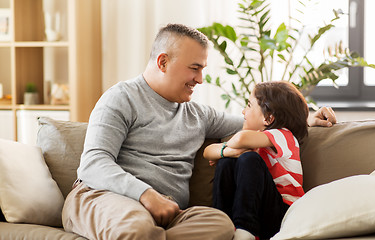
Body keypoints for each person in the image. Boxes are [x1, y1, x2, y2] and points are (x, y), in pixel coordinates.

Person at [62, 23, 337, 240]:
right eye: (194, 68)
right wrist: (146, 195)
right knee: (138, 229)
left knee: (220, 225)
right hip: (106, 197)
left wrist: (307, 119)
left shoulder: (198, 115)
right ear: (163, 62)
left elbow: (259, 122)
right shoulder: (121, 98)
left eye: (203, 69)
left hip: (170, 213)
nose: (200, 79)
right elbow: (93, 163)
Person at [203, 81, 319, 240]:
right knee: (227, 162)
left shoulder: (284, 135)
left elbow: (240, 139)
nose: (243, 111)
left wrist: (227, 150)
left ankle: (245, 230)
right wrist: (229, 152)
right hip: (261, 213)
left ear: (268, 118)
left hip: (284, 215)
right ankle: (221, 225)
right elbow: (207, 152)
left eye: (249, 105)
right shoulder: (253, 143)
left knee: (249, 159)